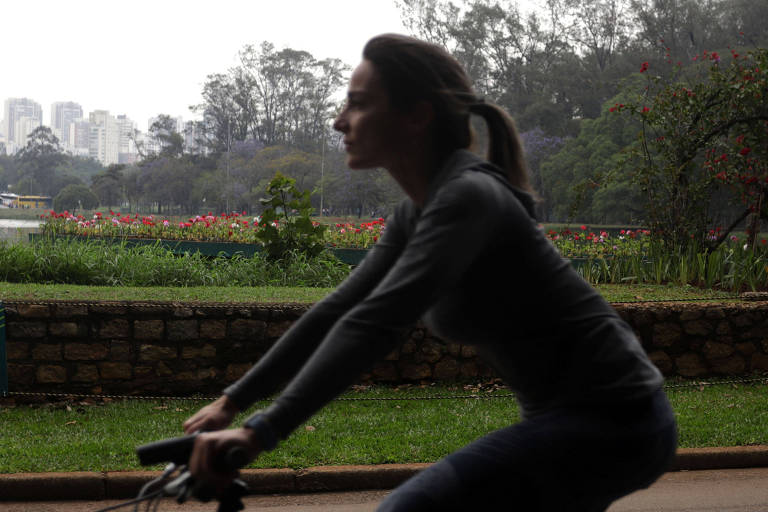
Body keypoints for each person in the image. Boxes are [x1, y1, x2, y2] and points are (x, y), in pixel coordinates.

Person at [184, 33, 677, 511]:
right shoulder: (418, 210)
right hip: (570, 420)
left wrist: (261, 431)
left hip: (617, 421)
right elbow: (340, 309)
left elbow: (377, 323)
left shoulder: (469, 197)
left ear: (417, 116)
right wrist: (232, 401)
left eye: (357, 103)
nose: (339, 121)